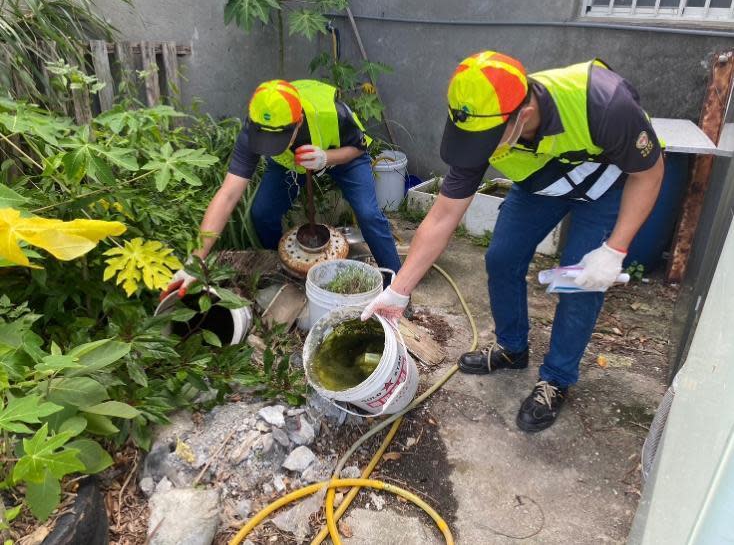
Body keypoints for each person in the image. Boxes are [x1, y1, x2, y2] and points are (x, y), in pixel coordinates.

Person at [362, 51, 664, 432]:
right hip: (541, 183)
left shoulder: (604, 102)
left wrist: (614, 250)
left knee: (578, 283)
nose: (480, 151)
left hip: (609, 185)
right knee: (501, 258)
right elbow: (442, 215)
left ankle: (556, 378)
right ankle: (512, 347)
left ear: (522, 115)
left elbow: (650, 174)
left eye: (487, 141)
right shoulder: (483, 125)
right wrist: (398, 291)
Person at [162, 78, 401, 299]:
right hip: (291, 162)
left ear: (297, 123)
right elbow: (227, 195)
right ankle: (284, 270)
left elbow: (358, 148)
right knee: (262, 213)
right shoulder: (256, 125)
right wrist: (195, 261)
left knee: (369, 214)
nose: (267, 146)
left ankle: (396, 287)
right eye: (264, 140)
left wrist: (326, 157)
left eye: (276, 139)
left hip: (342, 155)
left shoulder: (332, 114)